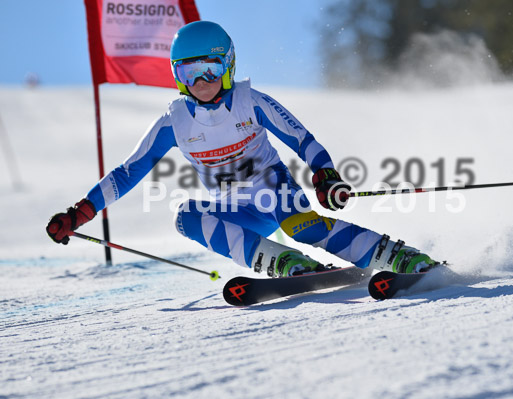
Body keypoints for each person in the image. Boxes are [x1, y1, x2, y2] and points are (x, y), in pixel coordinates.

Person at [46, 21, 437, 277]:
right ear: (177, 77)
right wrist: (82, 212)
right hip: (237, 210)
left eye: (210, 71)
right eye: (188, 72)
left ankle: (397, 256)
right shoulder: (175, 121)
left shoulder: (251, 102)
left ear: (227, 67)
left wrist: (326, 174)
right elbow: (130, 170)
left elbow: (302, 139)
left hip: (276, 191)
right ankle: (285, 264)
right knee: (186, 217)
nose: (200, 81)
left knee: (305, 227)